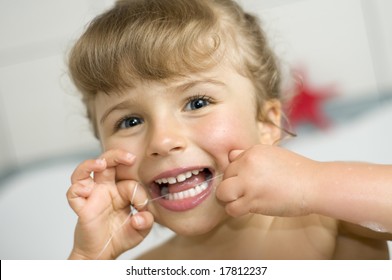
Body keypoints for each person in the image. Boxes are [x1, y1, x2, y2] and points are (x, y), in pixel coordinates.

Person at [66, 0, 392, 260]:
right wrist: (88, 259)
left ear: (268, 124)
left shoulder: (331, 218)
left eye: (197, 103)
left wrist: (313, 185)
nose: (162, 141)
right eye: (130, 122)